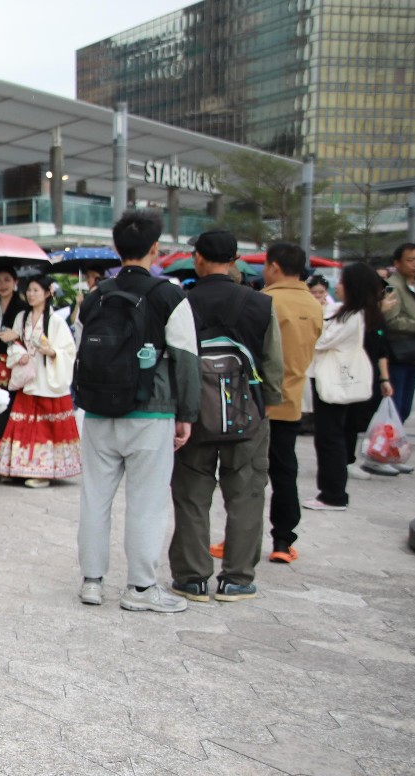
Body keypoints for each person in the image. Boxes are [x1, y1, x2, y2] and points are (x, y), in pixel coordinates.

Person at [75, 210, 200, 614]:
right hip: (152, 413)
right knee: (147, 503)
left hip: (98, 413)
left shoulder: (96, 296)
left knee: (95, 499)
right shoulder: (169, 296)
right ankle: (141, 588)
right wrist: (187, 414)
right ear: (155, 249)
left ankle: (92, 582)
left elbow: (82, 352)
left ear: (116, 248)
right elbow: (186, 360)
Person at [166, 230, 284, 603]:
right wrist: (266, 404)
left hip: (194, 415)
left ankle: (192, 578)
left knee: (191, 496)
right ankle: (237, 579)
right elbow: (273, 362)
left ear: (198, 258)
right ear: (235, 260)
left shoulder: (182, 304)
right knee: (246, 494)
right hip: (247, 415)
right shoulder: (260, 304)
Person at [303, 263, 396, 510]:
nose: (338, 286)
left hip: (333, 380)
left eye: (343, 282)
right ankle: (330, 492)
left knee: (330, 437)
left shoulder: (353, 315)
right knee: (329, 436)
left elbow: (321, 340)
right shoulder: (351, 311)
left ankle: (333, 495)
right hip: (332, 378)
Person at [257, 242, 322, 563]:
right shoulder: (314, 304)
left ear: (274, 266)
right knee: (285, 471)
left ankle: (239, 537)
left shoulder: (264, 300)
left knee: (248, 474)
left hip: (258, 401)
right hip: (292, 401)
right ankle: (283, 542)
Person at [0, 276, 81, 487]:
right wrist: (18, 353)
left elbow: (69, 351)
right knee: (23, 423)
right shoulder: (22, 317)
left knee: (45, 426)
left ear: (47, 293)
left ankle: (43, 471)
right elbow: (15, 345)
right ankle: (17, 467)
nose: (31, 294)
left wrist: (52, 352)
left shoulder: (56, 321)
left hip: (47, 378)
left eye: (35, 290)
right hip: (29, 378)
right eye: (29, 290)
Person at [0, 266, 27, 470]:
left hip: (12, 365)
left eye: (7, 280)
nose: (2, 285)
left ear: (15, 282)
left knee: (10, 410)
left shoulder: (22, 307)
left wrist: (16, 335)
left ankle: (8, 460)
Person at [383, 242, 415, 433]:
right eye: (410, 260)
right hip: (398, 353)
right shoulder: (393, 287)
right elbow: (392, 321)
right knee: (395, 407)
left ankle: (392, 443)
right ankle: (385, 445)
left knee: (404, 408)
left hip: (413, 354)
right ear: (397, 263)